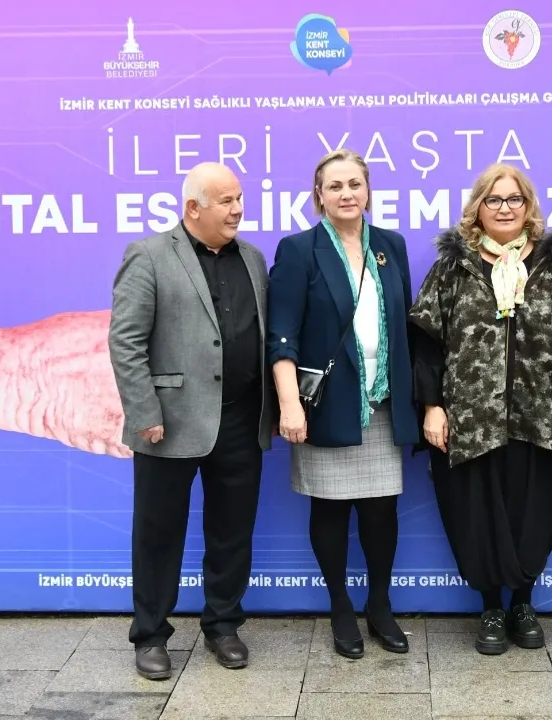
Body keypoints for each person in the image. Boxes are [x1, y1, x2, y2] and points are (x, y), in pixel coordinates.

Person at [409, 163, 552, 655]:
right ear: (478, 208)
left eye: (515, 199)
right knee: (478, 514)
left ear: (528, 206)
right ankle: (491, 606)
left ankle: (524, 603)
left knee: (533, 513)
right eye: (494, 200)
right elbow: (426, 343)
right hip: (472, 421)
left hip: (544, 418)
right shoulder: (454, 267)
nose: (505, 208)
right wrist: (432, 407)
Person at [108, 162, 275, 679]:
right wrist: (144, 412)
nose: (238, 209)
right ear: (193, 208)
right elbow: (126, 341)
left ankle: (223, 625)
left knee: (232, 531)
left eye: (240, 198)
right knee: (158, 534)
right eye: (226, 201)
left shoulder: (253, 259)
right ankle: (150, 635)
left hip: (242, 419)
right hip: (169, 423)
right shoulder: (150, 254)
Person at [267, 149, 419, 659]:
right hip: (326, 405)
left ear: (368, 190)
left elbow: (405, 327)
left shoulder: (391, 246)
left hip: (381, 402)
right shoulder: (299, 250)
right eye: (335, 186)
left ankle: (380, 605)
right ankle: (339, 607)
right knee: (329, 508)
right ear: (319, 196)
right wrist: (289, 403)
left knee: (381, 511)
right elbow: (281, 335)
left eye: (355, 184)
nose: (346, 193)